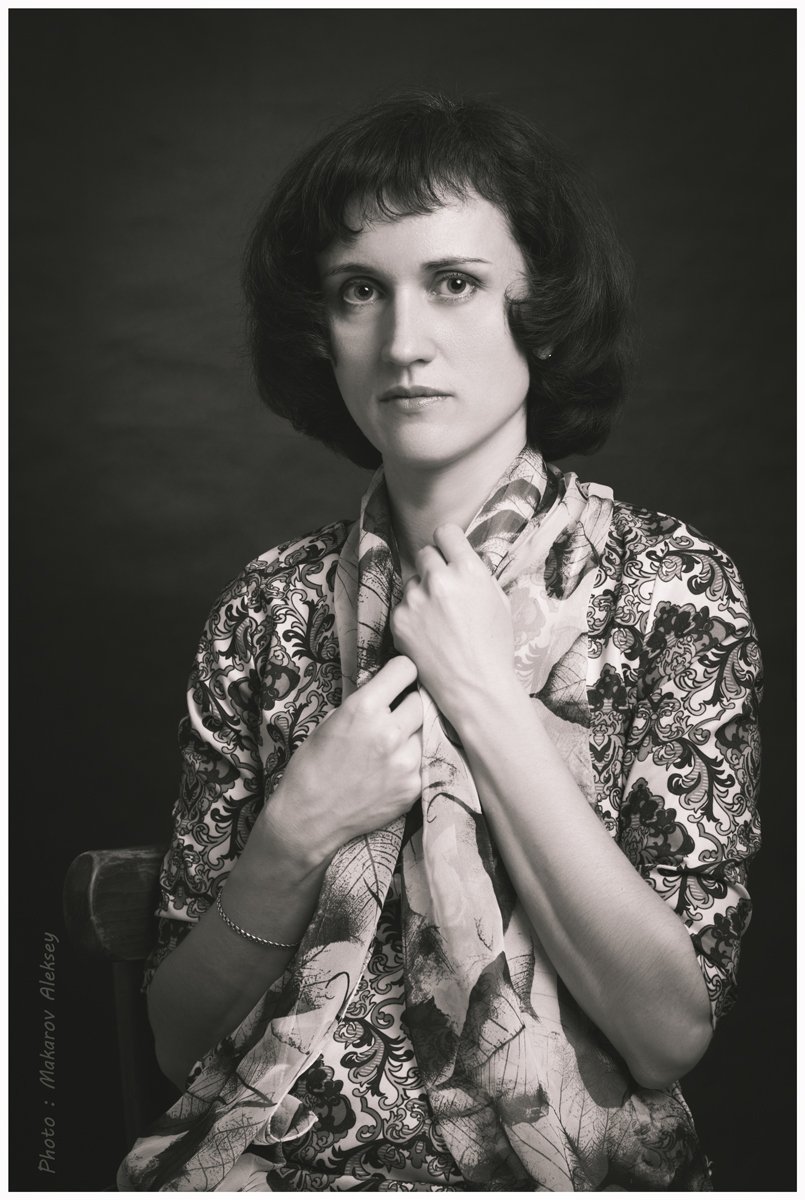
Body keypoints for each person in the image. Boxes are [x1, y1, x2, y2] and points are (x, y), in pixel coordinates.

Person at [118, 93, 762, 1192]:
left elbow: (666, 1035)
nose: (403, 343)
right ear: (321, 331)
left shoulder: (672, 588)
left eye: (454, 282)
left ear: (540, 311)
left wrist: (486, 703)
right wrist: (297, 831)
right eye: (359, 290)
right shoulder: (267, 607)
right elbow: (179, 1043)